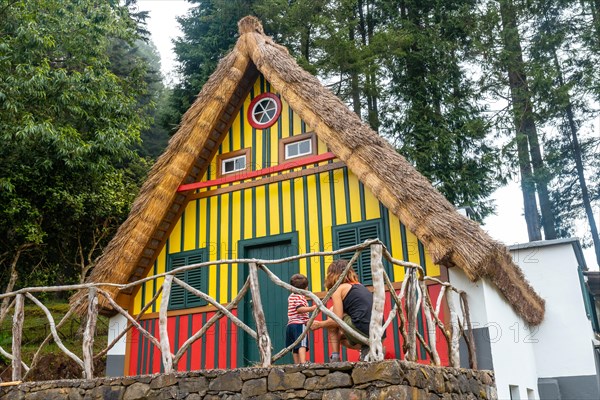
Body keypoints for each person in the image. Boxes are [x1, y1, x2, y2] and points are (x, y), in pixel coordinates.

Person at [310, 259, 372, 362]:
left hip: (362, 331)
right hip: (378, 335)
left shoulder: (339, 289)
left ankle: (335, 357)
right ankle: (365, 348)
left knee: (332, 312)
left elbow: (336, 320)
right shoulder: (361, 286)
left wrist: (319, 324)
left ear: (332, 275)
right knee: (342, 337)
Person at [286, 273, 317, 364]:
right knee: (302, 344)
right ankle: (303, 362)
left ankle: (297, 363)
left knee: (295, 346)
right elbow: (299, 309)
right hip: (299, 324)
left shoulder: (291, 296)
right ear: (304, 289)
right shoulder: (300, 297)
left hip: (290, 324)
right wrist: (312, 308)